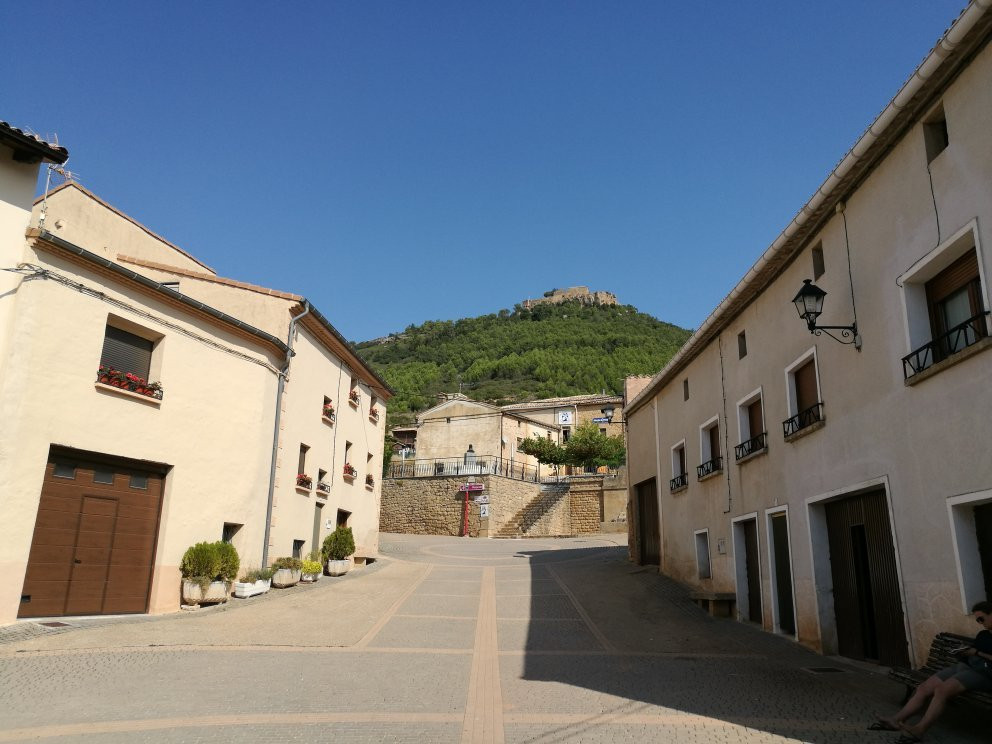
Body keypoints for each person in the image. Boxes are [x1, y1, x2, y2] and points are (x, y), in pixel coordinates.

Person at [871, 600, 992, 742]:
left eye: (981, 618)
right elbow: (973, 651)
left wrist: (977, 653)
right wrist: (962, 651)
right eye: (977, 619)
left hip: (984, 674)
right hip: (966, 666)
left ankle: (919, 730)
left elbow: (978, 653)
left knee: (942, 690)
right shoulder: (983, 634)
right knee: (923, 688)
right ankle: (895, 720)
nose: (979, 622)